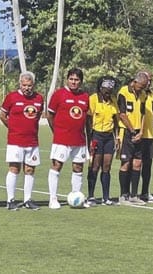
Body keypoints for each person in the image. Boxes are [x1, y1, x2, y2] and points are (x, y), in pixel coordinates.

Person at [46, 68, 90, 209]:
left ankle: (76, 196)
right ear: (67, 79)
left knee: (78, 167)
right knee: (57, 166)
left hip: (79, 139)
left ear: (81, 81)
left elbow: (87, 119)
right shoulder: (59, 94)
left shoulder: (85, 96)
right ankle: (53, 198)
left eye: (76, 80)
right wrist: (57, 131)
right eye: (71, 79)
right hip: (62, 139)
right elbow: (50, 115)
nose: (73, 82)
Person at [0, 71, 43, 210]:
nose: (27, 88)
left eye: (29, 85)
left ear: (33, 85)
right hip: (15, 141)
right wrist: (13, 128)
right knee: (14, 169)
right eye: (24, 85)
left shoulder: (39, 98)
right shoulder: (11, 97)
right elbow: (2, 115)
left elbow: (38, 115)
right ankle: (10, 200)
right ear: (20, 84)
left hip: (32, 141)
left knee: (30, 170)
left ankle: (27, 200)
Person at [116, 72, 149, 206]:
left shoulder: (143, 95)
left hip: (138, 133)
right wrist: (132, 131)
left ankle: (134, 195)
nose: (141, 89)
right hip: (127, 133)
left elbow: (142, 114)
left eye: (144, 87)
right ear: (134, 82)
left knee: (137, 163)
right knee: (126, 163)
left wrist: (141, 131)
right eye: (140, 86)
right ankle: (123, 195)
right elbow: (122, 115)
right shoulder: (123, 92)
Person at [86, 76, 119, 206]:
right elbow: (88, 120)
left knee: (107, 166)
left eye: (110, 89)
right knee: (95, 166)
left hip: (109, 136)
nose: (108, 91)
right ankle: (91, 196)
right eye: (106, 88)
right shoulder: (93, 99)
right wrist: (90, 139)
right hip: (96, 135)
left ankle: (106, 197)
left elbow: (116, 119)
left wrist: (117, 137)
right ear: (100, 87)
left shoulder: (113, 100)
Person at [139, 70, 153, 203]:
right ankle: (130, 193)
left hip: (149, 135)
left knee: (147, 166)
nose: (149, 81)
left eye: (150, 79)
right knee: (134, 165)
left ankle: (145, 192)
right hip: (138, 134)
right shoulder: (137, 94)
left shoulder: (152, 95)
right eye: (147, 78)